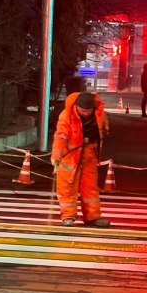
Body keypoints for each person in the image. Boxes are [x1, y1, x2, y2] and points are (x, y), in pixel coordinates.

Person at [51, 91, 110, 228]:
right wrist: (56, 156)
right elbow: (61, 136)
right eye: (83, 111)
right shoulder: (66, 116)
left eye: (88, 111)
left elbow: (103, 123)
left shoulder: (99, 112)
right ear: (77, 106)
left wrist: (106, 128)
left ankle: (93, 217)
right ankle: (68, 216)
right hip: (70, 157)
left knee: (90, 188)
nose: (86, 114)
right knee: (67, 188)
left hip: (90, 154)